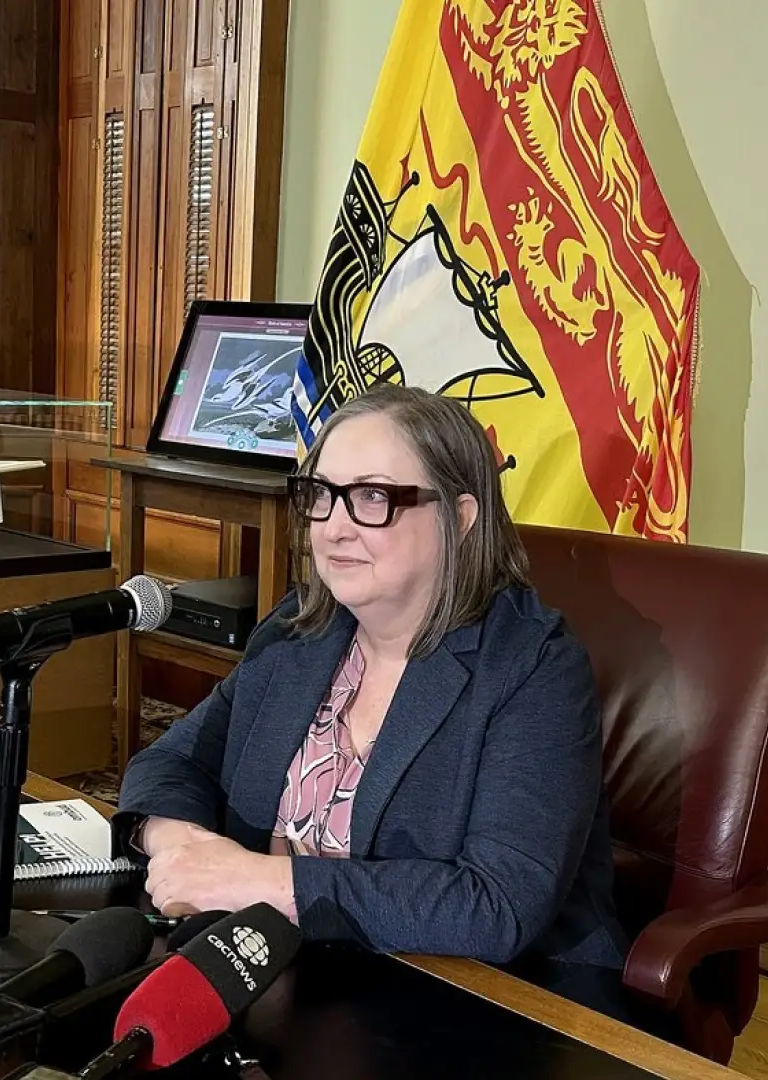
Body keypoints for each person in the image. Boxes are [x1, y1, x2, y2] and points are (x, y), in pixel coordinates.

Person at [113, 383, 631, 1015]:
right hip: (289, 970)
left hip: (485, 1000)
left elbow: (498, 904)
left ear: (460, 517)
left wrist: (259, 880)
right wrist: (179, 844)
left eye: (372, 497)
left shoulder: (533, 666)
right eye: (321, 494)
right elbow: (170, 762)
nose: (334, 527)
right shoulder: (298, 631)